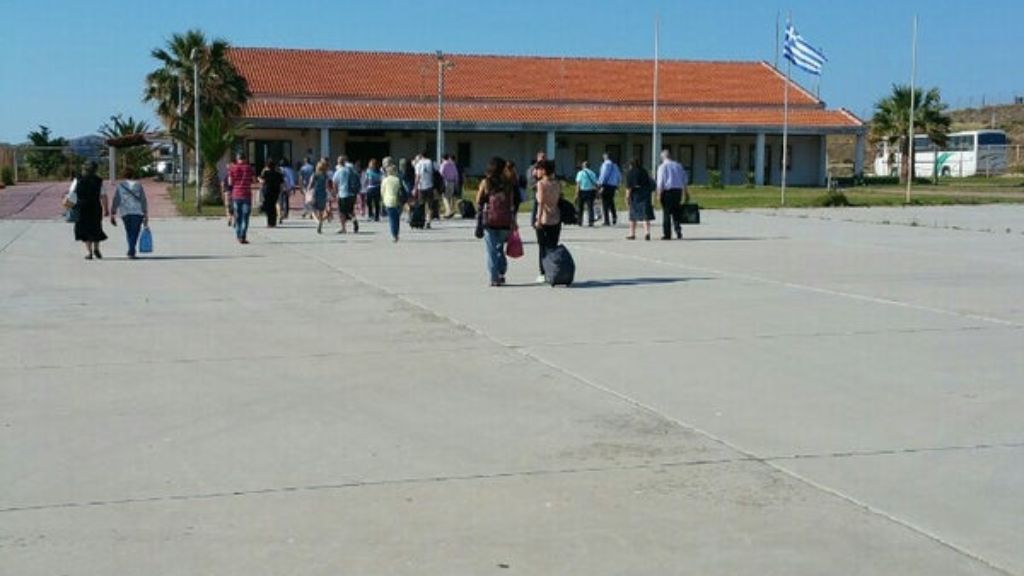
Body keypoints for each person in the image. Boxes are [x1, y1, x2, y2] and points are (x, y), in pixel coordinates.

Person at [475, 156, 517, 287]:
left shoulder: (486, 182)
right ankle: (501, 270)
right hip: (505, 220)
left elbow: (478, 200)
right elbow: (512, 203)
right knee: (500, 248)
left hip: (490, 220)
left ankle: (494, 278)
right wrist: (513, 220)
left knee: (491, 250)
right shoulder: (508, 183)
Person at [109, 166, 149, 258]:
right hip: (137, 211)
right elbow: (143, 199)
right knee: (135, 231)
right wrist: (145, 212)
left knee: (128, 231)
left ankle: (131, 249)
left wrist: (113, 212)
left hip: (125, 211)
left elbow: (116, 199)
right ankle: (131, 249)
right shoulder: (138, 185)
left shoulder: (121, 185)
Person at [72, 161, 109, 259]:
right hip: (95, 206)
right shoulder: (98, 181)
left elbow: (71, 193)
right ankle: (96, 248)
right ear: (95, 170)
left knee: (84, 229)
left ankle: (89, 252)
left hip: (82, 207)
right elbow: (103, 196)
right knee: (96, 227)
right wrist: (106, 209)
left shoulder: (78, 180)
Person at [534, 159, 562, 283]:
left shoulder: (541, 184)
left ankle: (542, 272)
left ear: (544, 170)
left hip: (544, 219)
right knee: (552, 246)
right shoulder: (557, 183)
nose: (536, 171)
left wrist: (538, 220)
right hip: (556, 217)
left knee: (542, 247)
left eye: (538, 169)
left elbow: (540, 203)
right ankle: (553, 269)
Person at [656, 149, 688, 240]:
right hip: (677, 191)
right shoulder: (678, 166)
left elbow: (660, 182)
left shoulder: (662, 167)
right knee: (676, 212)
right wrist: (686, 192)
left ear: (663, 157)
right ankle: (678, 231)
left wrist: (659, 194)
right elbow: (684, 179)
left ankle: (667, 234)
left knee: (666, 213)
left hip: (667, 192)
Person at [226, 153, 255, 243]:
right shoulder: (249, 168)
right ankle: (243, 235)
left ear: (237, 159)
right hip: (246, 195)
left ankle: (238, 235)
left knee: (237, 216)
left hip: (236, 194)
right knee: (245, 217)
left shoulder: (232, 168)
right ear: (245, 159)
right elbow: (254, 180)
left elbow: (230, 182)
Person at [625, 158, 654, 241]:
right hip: (645, 193)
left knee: (633, 215)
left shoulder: (630, 173)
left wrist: (627, 198)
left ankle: (632, 233)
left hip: (635, 194)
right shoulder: (644, 171)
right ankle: (647, 232)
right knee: (645, 215)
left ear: (631, 164)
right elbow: (649, 183)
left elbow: (629, 187)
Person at [331, 155, 360, 234]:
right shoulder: (351, 170)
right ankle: (354, 220)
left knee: (342, 212)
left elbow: (334, 183)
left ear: (339, 162)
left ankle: (343, 228)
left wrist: (334, 193)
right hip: (351, 194)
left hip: (343, 194)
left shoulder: (339, 171)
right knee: (350, 210)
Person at [380, 157, 404, 242]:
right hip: (397, 201)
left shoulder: (385, 180)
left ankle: (394, 235)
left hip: (388, 201)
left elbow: (382, 192)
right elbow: (402, 189)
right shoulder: (398, 179)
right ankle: (396, 233)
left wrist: (382, 201)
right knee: (396, 218)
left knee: (391, 219)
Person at [596, 152, 621, 226]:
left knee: (605, 203)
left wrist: (599, 184)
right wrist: (617, 184)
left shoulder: (605, 164)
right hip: (613, 186)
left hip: (606, 185)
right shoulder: (615, 165)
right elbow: (619, 176)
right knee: (611, 201)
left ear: (606, 157)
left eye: (603, 156)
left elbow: (603, 175)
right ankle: (614, 217)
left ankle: (606, 221)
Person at [307, 158, 330, 234]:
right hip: (323, 194)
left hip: (315, 193)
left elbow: (310, 184)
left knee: (312, 209)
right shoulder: (325, 175)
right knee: (321, 210)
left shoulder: (315, 174)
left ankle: (317, 221)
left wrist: (307, 190)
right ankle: (320, 221)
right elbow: (327, 185)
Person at [259, 159, 284, 228]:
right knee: (273, 206)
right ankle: (274, 222)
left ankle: (270, 222)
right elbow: (282, 184)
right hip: (276, 191)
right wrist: (281, 191)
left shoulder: (266, 173)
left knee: (269, 208)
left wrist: (259, 179)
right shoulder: (278, 174)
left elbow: (262, 181)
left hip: (267, 191)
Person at [414, 152, 436, 228]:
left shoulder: (419, 164)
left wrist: (415, 188)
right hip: (430, 186)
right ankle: (428, 221)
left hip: (421, 187)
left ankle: (421, 221)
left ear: (421, 156)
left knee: (421, 205)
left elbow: (418, 176)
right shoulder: (431, 162)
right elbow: (435, 173)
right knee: (430, 205)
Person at [575, 160, 599, 226]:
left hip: (582, 191)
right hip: (590, 191)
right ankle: (591, 221)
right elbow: (596, 183)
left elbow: (578, 184)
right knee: (590, 207)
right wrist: (597, 192)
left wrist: (576, 193)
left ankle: (580, 221)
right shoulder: (592, 173)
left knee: (580, 207)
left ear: (583, 166)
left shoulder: (580, 173)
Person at [439, 153, 459, 218]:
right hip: (452, 182)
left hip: (446, 182)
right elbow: (456, 174)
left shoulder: (443, 164)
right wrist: (456, 184)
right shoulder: (453, 164)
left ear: (442, 158)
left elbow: (441, 173)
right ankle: (448, 212)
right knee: (450, 197)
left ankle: (449, 210)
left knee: (444, 197)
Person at [279, 157, 296, 222]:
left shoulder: (279, 169)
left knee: (280, 200)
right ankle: (286, 213)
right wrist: (293, 187)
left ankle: (281, 211)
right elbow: (291, 179)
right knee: (286, 200)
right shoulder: (290, 170)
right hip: (287, 187)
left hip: (280, 187)